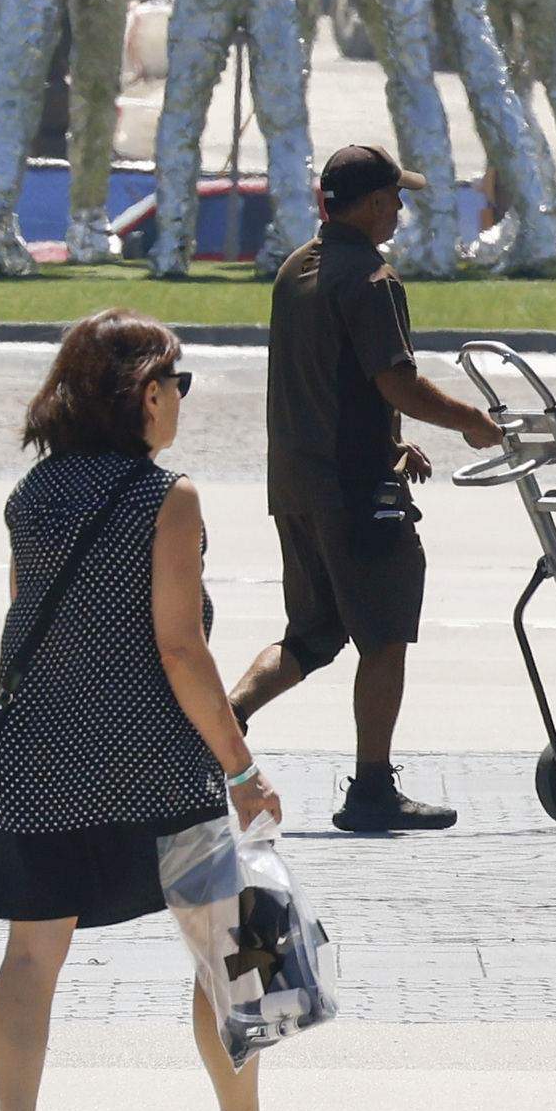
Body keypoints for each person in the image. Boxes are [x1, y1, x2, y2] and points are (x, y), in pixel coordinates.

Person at [0, 311, 340, 1111]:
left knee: (31, 957)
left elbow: (30, 623)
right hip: (156, 767)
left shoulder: (34, 495)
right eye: (177, 384)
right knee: (235, 951)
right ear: (146, 393)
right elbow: (181, 649)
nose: (180, 400)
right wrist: (242, 766)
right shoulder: (165, 498)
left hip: (41, 760)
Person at [230, 143, 503, 833]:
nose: (402, 210)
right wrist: (473, 422)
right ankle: (373, 788)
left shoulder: (296, 268)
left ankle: (222, 724)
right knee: (382, 636)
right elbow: (397, 382)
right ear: (374, 202)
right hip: (355, 493)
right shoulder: (372, 277)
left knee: (313, 633)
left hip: (296, 485)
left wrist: (387, 439)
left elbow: (325, 381)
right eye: (396, 198)